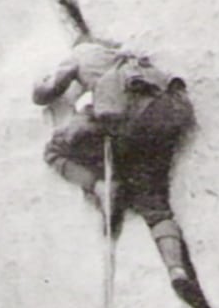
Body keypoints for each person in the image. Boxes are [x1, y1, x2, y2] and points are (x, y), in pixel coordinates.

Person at [33, 37, 195, 284]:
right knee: (153, 200)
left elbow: (45, 94)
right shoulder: (130, 57)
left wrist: (41, 84)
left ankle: (100, 186)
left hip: (127, 123)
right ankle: (176, 268)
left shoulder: (79, 55)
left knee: (54, 151)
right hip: (167, 114)